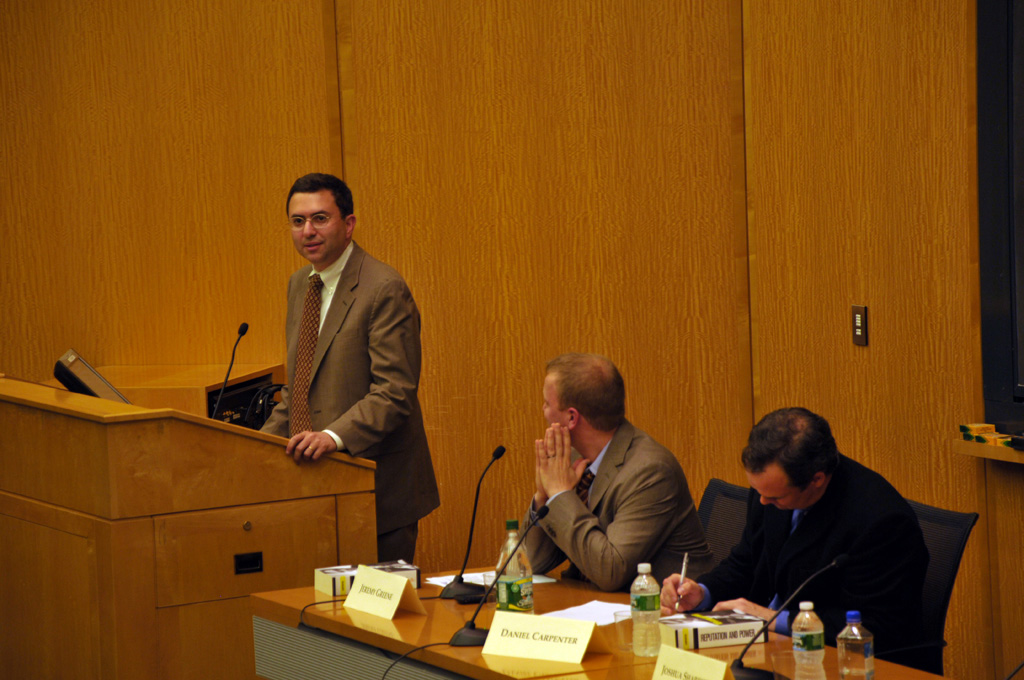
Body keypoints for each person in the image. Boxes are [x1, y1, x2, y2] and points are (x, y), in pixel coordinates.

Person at [261, 172, 439, 563]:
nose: (308, 230)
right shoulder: (299, 285)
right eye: (298, 221)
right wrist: (254, 450)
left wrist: (331, 436)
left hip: (377, 492)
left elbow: (394, 393)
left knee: (374, 619)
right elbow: (300, 385)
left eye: (320, 218)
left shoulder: (383, 288)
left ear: (349, 224)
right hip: (315, 490)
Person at [660, 407, 928, 656]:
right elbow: (747, 562)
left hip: (837, 659)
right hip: (768, 649)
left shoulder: (881, 522)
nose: (764, 502)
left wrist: (772, 618)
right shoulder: (769, 491)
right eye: (759, 491)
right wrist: (703, 592)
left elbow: (874, 625)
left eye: (775, 498)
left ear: (817, 480)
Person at [522, 353, 714, 591]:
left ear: (571, 417)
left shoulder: (650, 471)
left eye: (547, 403)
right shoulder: (572, 461)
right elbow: (529, 563)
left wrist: (561, 495)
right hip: (596, 606)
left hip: (660, 615)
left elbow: (610, 572)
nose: (543, 410)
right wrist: (545, 498)